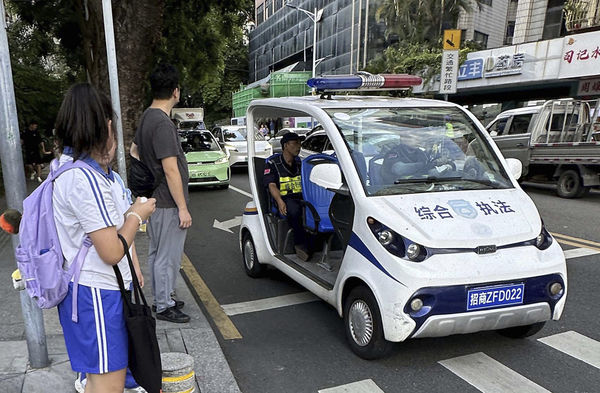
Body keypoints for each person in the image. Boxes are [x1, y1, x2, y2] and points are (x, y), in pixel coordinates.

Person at [53, 83, 156, 393]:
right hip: (96, 293)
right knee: (108, 385)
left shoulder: (79, 171)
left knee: (101, 380)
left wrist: (133, 265)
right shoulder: (83, 179)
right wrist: (138, 215)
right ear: (105, 126)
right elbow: (111, 250)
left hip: (97, 291)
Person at [130, 63, 192, 323]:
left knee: (157, 253)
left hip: (155, 197)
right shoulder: (163, 124)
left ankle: (162, 297)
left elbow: (134, 151)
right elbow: (171, 169)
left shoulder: (147, 116)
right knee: (168, 256)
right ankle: (165, 306)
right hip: (168, 200)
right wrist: (183, 208)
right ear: (176, 92)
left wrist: (148, 177)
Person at [263, 132, 312, 261]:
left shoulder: (300, 163)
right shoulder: (273, 163)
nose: (299, 146)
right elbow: (271, 185)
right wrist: (279, 201)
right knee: (295, 211)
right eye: (295, 143)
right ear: (285, 145)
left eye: (300, 143)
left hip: (301, 197)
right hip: (285, 199)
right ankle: (299, 244)